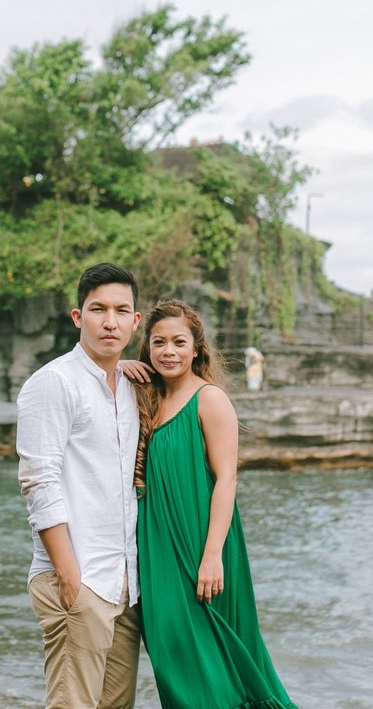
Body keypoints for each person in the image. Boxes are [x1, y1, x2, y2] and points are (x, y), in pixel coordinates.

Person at [124, 299, 298, 709]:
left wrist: (212, 556)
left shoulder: (209, 399)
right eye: (158, 342)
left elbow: (226, 479)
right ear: (147, 347)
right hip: (159, 547)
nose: (168, 351)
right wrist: (118, 368)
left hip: (204, 543)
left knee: (221, 660)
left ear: (196, 348)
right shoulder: (145, 397)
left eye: (179, 342)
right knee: (170, 654)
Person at [16, 263, 143, 709]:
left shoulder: (130, 385)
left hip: (125, 582)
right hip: (79, 577)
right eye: (98, 309)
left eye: (121, 311)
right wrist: (70, 578)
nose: (110, 321)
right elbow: (38, 481)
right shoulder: (53, 382)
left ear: (135, 321)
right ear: (78, 317)